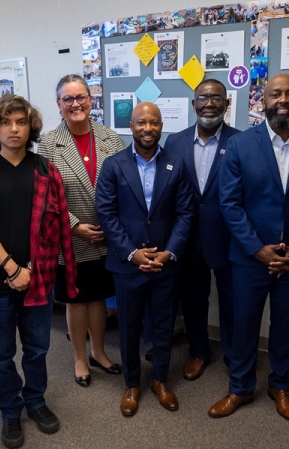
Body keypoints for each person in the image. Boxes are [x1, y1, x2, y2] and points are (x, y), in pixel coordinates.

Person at [0, 94, 77, 449]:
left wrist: (35, 270)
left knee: (37, 349)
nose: (14, 129)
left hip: (37, 278)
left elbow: (56, 230)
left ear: (31, 128)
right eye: (6, 122)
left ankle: (36, 401)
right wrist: (12, 267)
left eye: (21, 122)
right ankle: (10, 410)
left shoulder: (46, 169)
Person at [209, 73, 289, 421]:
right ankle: (240, 388)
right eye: (276, 94)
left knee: (284, 324)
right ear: (263, 100)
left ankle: (280, 384)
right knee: (243, 324)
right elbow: (229, 203)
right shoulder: (241, 144)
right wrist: (258, 249)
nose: (283, 100)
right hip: (248, 258)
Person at [96, 103, 194, 417]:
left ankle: (161, 380)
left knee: (164, 325)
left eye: (153, 122)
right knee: (128, 325)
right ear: (131, 125)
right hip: (127, 264)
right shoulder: (113, 165)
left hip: (166, 262)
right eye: (141, 123)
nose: (147, 128)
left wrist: (170, 251)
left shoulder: (176, 164)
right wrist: (131, 252)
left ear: (161, 125)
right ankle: (132, 384)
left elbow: (185, 213)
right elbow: (107, 214)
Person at [36, 74, 124, 388]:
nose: (76, 104)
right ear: (59, 105)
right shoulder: (48, 143)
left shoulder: (110, 138)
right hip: (69, 236)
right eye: (68, 99)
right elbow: (45, 194)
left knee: (98, 298)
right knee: (75, 299)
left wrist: (110, 224)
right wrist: (74, 226)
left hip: (106, 234)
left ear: (91, 99)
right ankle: (78, 357)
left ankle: (100, 352)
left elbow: (123, 185)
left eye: (81, 97)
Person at [163, 79, 240, 382]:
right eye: (203, 98)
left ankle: (235, 354)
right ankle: (199, 351)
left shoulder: (241, 141)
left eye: (217, 98)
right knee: (194, 300)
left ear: (226, 104)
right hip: (188, 238)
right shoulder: (174, 142)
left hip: (227, 236)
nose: (210, 103)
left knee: (232, 302)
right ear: (193, 103)